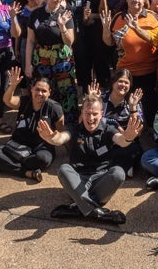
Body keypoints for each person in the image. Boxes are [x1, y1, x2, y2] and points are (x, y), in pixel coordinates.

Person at [46, 93, 142, 224]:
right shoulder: (74, 128)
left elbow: (121, 141)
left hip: (101, 181)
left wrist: (128, 137)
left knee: (118, 173)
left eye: (95, 114)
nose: (91, 118)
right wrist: (52, 138)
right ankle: (98, 212)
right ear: (82, 113)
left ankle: (79, 207)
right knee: (64, 169)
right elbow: (61, 138)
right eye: (87, 113)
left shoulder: (108, 129)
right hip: (78, 181)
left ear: (101, 114)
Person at [0, 72, 64, 182]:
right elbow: (7, 100)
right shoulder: (24, 101)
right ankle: (27, 172)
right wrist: (13, 86)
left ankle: (7, 166)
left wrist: (53, 136)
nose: (40, 93)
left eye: (44, 91)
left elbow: (61, 131)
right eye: (37, 89)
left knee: (43, 159)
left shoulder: (54, 108)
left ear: (49, 93)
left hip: (41, 147)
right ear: (31, 89)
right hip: (19, 145)